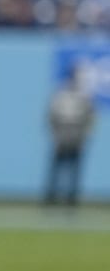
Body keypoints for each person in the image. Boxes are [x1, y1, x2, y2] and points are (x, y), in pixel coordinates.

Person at [46, 62, 95, 207]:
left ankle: (71, 199)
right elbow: (52, 115)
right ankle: (51, 197)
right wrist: (55, 135)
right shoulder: (61, 94)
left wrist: (84, 136)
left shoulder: (84, 96)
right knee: (57, 170)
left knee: (74, 171)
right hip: (62, 136)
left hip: (77, 137)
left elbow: (90, 118)